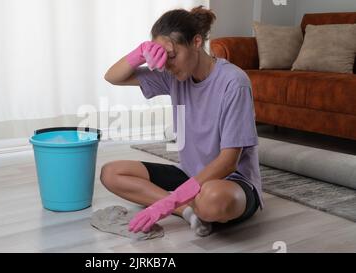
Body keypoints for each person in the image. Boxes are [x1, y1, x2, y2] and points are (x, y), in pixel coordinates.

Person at [101, 5, 263, 236]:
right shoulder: (173, 76)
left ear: (196, 42)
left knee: (212, 200)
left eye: (172, 56)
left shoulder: (234, 82)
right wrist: (139, 53)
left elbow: (229, 162)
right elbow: (113, 77)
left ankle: (188, 205)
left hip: (230, 182)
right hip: (190, 174)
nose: (167, 65)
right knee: (111, 172)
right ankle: (187, 211)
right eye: (162, 57)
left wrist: (166, 203)